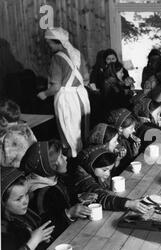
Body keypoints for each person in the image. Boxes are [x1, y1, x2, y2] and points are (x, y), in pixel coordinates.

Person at [20, 141, 92, 239]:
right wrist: (69, 213)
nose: (66, 158)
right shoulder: (39, 195)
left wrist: (80, 199)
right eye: (61, 157)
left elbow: (64, 203)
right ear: (50, 166)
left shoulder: (56, 180)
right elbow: (48, 231)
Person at [1, 167, 55, 250]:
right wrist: (33, 241)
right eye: (18, 199)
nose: (25, 201)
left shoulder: (18, 218)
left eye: (26, 194)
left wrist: (39, 239)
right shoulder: (3, 231)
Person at [37, 27, 90, 158]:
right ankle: (85, 159)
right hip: (82, 97)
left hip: (67, 99)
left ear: (58, 42)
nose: (49, 46)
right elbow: (86, 78)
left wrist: (44, 94)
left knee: (68, 132)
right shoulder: (77, 54)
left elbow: (56, 86)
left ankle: (72, 164)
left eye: (50, 43)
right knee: (82, 131)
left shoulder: (57, 58)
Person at [73, 145, 149, 213]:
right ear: (91, 165)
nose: (108, 174)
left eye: (109, 170)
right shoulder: (81, 176)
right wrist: (128, 203)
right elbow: (99, 197)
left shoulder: (93, 173)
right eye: (104, 170)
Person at [0, 99, 37, 168]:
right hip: (32, 164)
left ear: (3, 120)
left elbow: (6, 162)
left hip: (19, 171)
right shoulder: (26, 128)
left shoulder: (9, 137)